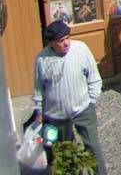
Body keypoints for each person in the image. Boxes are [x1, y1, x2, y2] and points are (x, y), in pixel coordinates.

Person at [32, 21, 106, 174]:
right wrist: (38, 110)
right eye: (61, 40)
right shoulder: (42, 59)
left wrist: (91, 102)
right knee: (65, 152)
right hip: (56, 115)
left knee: (92, 146)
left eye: (67, 38)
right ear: (52, 43)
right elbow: (39, 88)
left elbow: (94, 77)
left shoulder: (81, 49)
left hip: (83, 109)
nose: (66, 43)